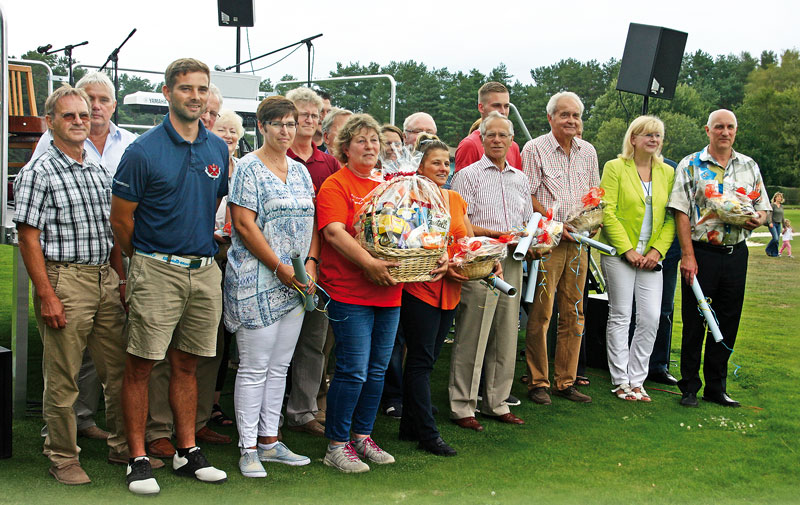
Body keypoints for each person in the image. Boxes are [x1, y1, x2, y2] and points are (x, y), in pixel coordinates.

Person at [111, 58, 229, 495]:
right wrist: (143, 262)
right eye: (186, 89)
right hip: (155, 267)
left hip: (203, 271)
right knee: (141, 365)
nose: (195, 97)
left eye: (202, 89)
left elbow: (210, 206)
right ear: (167, 93)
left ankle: (186, 450)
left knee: (188, 365)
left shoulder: (217, 148)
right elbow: (121, 221)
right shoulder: (142, 151)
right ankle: (138, 457)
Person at [315, 113, 446, 473]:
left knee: (377, 371)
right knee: (353, 370)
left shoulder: (388, 184)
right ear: (345, 148)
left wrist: (438, 252)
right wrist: (368, 264)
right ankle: (337, 444)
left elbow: (420, 227)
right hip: (349, 291)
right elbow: (334, 233)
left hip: (389, 291)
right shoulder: (335, 186)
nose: (371, 146)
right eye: (361, 141)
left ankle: (362, 436)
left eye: (375, 141)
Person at [14, 85, 128, 485]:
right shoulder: (38, 172)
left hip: (104, 277)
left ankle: (123, 448)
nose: (81, 120)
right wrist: (46, 295)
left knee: (118, 372)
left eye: (84, 114)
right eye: (69, 116)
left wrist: (120, 278)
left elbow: (112, 231)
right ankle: (63, 457)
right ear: (51, 122)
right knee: (62, 378)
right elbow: (28, 237)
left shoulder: (98, 169)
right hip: (64, 279)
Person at [224, 96, 318, 477]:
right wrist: (279, 268)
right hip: (256, 280)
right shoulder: (247, 168)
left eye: (291, 124)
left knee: (280, 366)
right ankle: (247, 447)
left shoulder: (300, 171)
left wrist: (308, 265)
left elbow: (312, 222)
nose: (285, 130)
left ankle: (269, 441)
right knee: (254, 367)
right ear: (261, 126)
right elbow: (244, 225)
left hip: (295, 282)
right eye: (277, 123)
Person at [145, 81, 231, 456]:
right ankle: (159, 429)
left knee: (202, 351)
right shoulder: (151, 147)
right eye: (205, 110)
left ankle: (195, 426)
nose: (207, 116)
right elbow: (125, 218)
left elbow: (215, 200)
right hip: (163, 262)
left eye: (213, 111)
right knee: (162, 354)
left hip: (206, 260)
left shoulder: (217, 149)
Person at [668, 109, 770, 408]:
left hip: (736, 253)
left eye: (730, 127)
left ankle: (716, 386)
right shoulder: (691, 165)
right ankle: (689, 386)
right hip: (701, 253)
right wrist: (687, 255)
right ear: (708, 130)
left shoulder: (749, 165)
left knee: (727, 319)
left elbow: (761, 207)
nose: (725, 132)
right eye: (719, 127)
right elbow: (681, 211)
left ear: (736, 130)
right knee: (696, 319)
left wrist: (758, 219)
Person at [449, 111, 532, 431]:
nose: (497, 140)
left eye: (503, 135)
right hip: (480, 260)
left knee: (506, 331)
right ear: (481, 139)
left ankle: (497, 401)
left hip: (512, 258)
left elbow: (524, 221)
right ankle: (462, 405)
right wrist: (498, 235)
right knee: (473, 331)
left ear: (512, 141)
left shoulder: (520, 179)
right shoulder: (467, 175)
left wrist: (528, 236)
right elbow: (463, 223)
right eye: (491, 135)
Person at [398, 134, 474, 456]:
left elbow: (467, 240)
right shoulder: (406, 197)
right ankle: (428, 434)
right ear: (420, 166)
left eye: (447, 162)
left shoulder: (455, 199)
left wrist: (472, 259)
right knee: (419, 360)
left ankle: (408, 426)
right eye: (436, 162)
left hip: (451, 290)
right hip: (421, 289)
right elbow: (405, 239)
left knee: (428, 360)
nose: (444, 167)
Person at [522, 91, 599, 405]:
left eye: (576, 116)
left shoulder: (588, 151)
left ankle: (566, 381)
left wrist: (594, 219)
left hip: (580, 243)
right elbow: (525, 195)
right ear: (550, 117)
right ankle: (538, 381)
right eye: (564, 115)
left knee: (575, 312)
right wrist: (556, 225)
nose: (571, 121)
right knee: (542, 312)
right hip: (548, 243)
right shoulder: (534, 149)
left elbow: (594, 193)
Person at [596, 116, 675, 402]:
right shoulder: (615, 168)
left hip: (652, 256)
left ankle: (638, 380)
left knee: (652, 317)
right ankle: (620, 381)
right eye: (647, 135)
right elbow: (607, 211)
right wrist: (627, 249)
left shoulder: (668, 172)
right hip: (620, 253)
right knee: (621, 314)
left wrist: (656, 252)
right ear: (633, 139)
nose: (653, 140)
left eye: (658, 135)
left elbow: (671, 217)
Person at [283, 87, 341, 438]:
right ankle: (266, 413)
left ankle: (303, 411)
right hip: (278, 262)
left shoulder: (328, 162)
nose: (307, 119)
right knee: (272, 343)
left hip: (319, 263)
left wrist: (316, 261)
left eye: (313, 114)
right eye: (300, 113)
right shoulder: (274, 155)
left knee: (313, 341)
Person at [208, 109, 246, 429]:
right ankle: (202, 404)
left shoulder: (243, 169)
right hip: (210, 250)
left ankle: (214, 402)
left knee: (226, 333)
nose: (230, 135)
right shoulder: (208, 163)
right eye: (224, 129)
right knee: (211, 332)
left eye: (234, 130)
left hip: (237, 254)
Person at [455, 81, 523, 171]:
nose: (503, 111)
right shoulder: (470, 145)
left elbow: (518, 182)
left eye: (506, 106)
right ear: (481, 107)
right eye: (497, 105)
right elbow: (462, 183)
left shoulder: (513, 146)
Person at [765, 192, 785, 257]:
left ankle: (774, 254)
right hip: (772, 224)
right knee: (775, 238)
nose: (779, 198)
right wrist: (770, 222)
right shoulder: (772, 205)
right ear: (775, 198)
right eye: (778, 197)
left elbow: (782, 216)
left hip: (779, 224)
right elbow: (769, 214)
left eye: (780, 197)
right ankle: (768, 249)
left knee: (777, 240)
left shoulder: (782, 206)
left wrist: (784, 226)